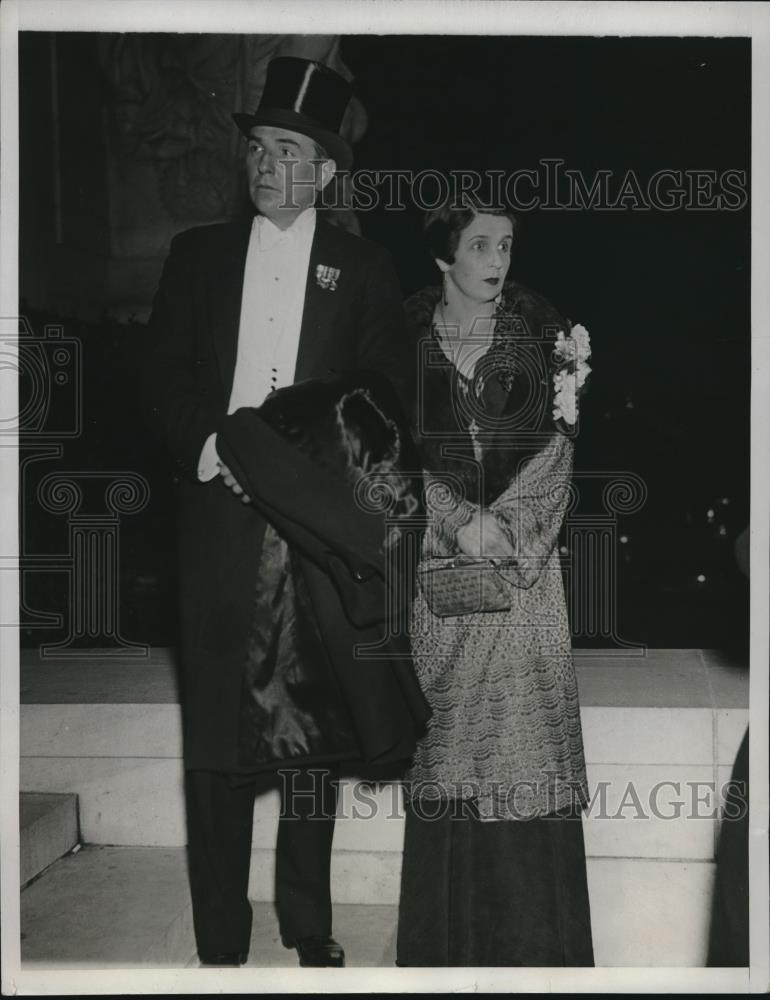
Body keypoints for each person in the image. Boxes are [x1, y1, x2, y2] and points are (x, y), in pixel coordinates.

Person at [142, 56, 426, 969]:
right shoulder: (197, 256)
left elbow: (380, 393)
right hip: (218, 517)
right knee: (219, 737)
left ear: (328, 171)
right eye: (258, 148)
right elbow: (160, 381)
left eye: (288, 150)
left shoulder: (366, 267)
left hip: (311, 523)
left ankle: (309, 922)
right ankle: (220, 935)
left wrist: (291, 457)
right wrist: (218, 448)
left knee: (310, 729)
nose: (266, 167)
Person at [396, 197, 595, 966]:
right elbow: (382, 459)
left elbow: (559, 453)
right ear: (444, 255)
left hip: (525, 581)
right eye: (480, 245)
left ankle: (538, 955)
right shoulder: (400, 343)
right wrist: (453, 523)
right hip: (441, 583)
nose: (497, 260)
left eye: (506, 245)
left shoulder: (543, 339)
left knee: (526, 750)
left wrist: (506, 534)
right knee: (448, 754)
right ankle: (447, 956)